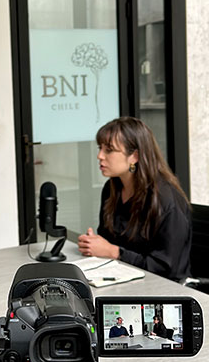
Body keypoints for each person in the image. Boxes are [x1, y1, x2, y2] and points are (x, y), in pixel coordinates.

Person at [77, 116, 191, 281]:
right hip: (120, 279)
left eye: (109, 150)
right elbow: (107, 242)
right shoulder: (111, 189)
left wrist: (113, 252)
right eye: (99, 148)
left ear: (134, 156)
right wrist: (93, 244)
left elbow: (166, 268)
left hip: (163, 290)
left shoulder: (166, 200)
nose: (100, 156)